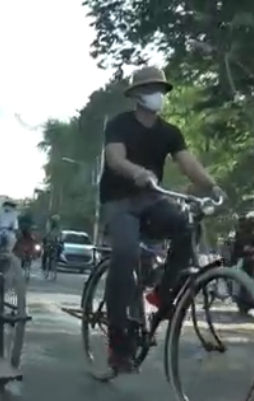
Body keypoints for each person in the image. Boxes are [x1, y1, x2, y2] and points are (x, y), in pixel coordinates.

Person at [100, 66, 224, 372]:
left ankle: (162, 294)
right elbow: (114, 158)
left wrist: (212, 186)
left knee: (185, 224)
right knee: (126, 253)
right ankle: (118, 341)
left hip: (152, 200)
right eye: (152, 89)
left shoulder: (169, 132)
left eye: (161, 89)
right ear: (138, 95)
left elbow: (189, 164)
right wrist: (137, 172)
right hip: (120, 202)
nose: (158, 95)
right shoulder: (119, 125)